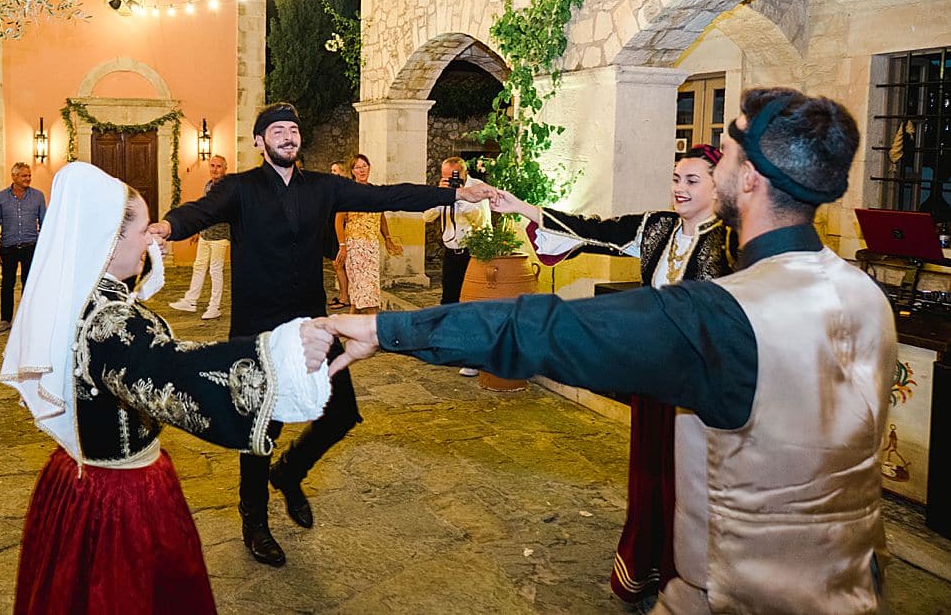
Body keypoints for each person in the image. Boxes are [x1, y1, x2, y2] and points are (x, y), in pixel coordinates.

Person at [323, 88, 897, 614]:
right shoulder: (866, 295)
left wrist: (386, 329)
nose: (700, 170)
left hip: (741, 595)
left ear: (749, 180)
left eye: (720, 157)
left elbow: (539, 330)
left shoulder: (724, 312)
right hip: (850, 589)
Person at [149, 102, 497, 567]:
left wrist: (453, 196)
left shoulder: (323, 188)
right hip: (260, 331)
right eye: (277, 130)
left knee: (342, 414)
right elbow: (199, 210)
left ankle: (290, 473)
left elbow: (388, 196)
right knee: (261, 428)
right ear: (259, 141)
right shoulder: (240, 188)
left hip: (315, 325)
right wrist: (168, 226)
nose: (288, 136)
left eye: (293, 129)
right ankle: (254, 520)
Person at [0, 162, 334, 614]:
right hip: (117, 498)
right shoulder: (110, 322)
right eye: (143, 231)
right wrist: (282, 355)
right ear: (109, 238)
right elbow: (172, 374)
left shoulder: (80, 297)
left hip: (76, 481)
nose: (153, 240)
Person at [498, 143, 735, 603]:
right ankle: (650, 565)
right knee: (653, 475)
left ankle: (695, 578)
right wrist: (518, 205)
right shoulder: (657, 227)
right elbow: (591, 230)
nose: (679, 189)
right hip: (654, 379)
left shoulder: (733, 241)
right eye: (675, 179)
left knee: (693, 483)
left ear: (717, 184)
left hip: (702, 390)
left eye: (692, 180)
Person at [423, 156, 491, 377]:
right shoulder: (443, 190)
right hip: (451, 253)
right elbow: (427, 216)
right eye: (445, 177)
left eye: (452, 177)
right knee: (449, 301)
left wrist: (462, 197)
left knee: (471, 305)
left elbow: (480, 221)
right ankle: (451, 347)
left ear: (462, 174)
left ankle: (472, 357)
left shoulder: (477, 189)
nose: (450, 180)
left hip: (472, 253)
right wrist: (439, 194)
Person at [334, 154, 403, 313]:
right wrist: (342, 246)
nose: (362, 170)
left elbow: (381, 216)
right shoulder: (347, 193)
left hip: (372, 246)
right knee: (365, 292)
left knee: (362, 292)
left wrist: (388, 239)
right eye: (358, 167)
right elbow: (338, 221)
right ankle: (373, 325)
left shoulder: (375, 192)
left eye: (364, 165)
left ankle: (351, 328)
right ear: (352, 171)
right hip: (355, 246)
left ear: (369, 167)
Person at [169, 155, 231, 321]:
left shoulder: (228, 188)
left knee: (215, 270)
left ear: (225, 168)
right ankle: (190, 300)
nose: (215, 169)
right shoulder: (208, 185)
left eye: (219, 166)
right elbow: (204, 211)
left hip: (219, 236)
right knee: (199, 266)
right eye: (212, 166)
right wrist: (197, 229)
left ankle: (214, 307)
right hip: (205, 234)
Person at [0, 162, 46, 333]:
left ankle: (28, 319)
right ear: (14, 177)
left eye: (29, 175)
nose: (28, 178)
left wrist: (44, 249)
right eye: (24, 176)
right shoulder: (0, 198)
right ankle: (5, 319)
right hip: (8, 246)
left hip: (31, 246)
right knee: (7, 283)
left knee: (30, 284)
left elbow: (45, 223)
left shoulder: (38, 196)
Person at [327, 160, 349, 309]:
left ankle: (345, 297)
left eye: (335, 170)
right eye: (332, 170)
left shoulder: (344, 189)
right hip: (332, 229)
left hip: (341, 230)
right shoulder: (335, 189)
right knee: (337, 265)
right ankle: (343, 295)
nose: (332, 173)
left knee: (339, 264)